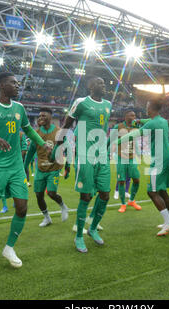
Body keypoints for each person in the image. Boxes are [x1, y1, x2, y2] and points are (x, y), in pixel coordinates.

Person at [0, 72, 51, 275]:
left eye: (18, 83)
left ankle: (8, 248)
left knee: (22, 208)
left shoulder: (19, 108)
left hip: (15, 165)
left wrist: (43, 144)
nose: (17, 86)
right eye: (13, 83)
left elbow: (28, 130)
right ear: (1, 85)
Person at [55, 77, 111, 253]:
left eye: (104, 83)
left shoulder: (108, 104)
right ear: (91, 86)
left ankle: (93, 228)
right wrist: (59, 146)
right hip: (85, 154)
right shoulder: (81, 102)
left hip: (101, 155)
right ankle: (79, 235)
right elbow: (67, 124)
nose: (104, 85)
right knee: (86, 197)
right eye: (100, 83)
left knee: (105, 194)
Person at [117, 97, 169, 236]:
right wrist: (139, 121)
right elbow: (147, 122)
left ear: (151, 108)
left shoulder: (151, 124)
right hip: (166, 157)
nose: (145, 109)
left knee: (152, 191)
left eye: (147, 106)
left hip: (158, 160)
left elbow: (133, 135)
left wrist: (115, 141)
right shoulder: (162, 121)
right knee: (162, 191)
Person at [23, 108, 69, 227]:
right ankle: (47, 217)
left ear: (50, 117)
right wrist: (24, 167)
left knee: (52, 193)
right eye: (39, 116)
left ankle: (63, 206)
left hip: (54, 168)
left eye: (43, 115)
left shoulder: (59, 132)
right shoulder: (36, 133)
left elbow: (67, 148)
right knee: (39, 195)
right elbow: (31, 151)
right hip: (40, 169)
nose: (40, 118)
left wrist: (67, 167)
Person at [110, 110, 142, 213]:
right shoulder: (118, 127)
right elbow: (110, 140)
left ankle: (131, 200)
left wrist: (138, 153)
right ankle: (123, 203)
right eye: (131, 115)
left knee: (136, 179)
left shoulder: (136, 127)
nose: (134, 117)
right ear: (126, 116)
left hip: (131, 158)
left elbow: (136, 140)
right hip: (120, 158)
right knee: (122, 181)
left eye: (134, 115)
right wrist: (108, 153)